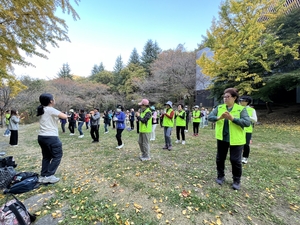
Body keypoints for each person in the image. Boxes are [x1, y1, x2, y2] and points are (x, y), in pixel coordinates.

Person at [208, 88, 250, 190]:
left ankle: (236, 180)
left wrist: (233, 119)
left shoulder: (241, 109)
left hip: (236, 139)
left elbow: (247, 122)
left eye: (228, 97)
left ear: (234, 98)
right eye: (224, 97)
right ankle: (220, 176)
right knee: (220, 158)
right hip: (222, 138)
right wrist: (219, 118)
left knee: (235, 160)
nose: (225, 99)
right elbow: (210, 117)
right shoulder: (220, 107)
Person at [36, 93, 68, 184]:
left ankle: (43, 175)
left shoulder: (42, 109)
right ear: (51, 101)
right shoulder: (50, 109)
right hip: (51, 137)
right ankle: (49, 176)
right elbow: (64, 116)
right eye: (53, 99)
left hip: (41, 137)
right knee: (57, 156)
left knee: (46, 157)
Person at [239, 96, 258, 164]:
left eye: (242, 100)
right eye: (240, 100)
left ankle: (245, 157)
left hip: (247, 130)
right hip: (238, 128)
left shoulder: (251, 110)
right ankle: (238, 156)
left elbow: (255, 120)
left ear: (247, 102)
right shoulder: (237, 108)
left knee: (246, 144)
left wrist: (247, 117)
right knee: (238, 143)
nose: (240, 101)